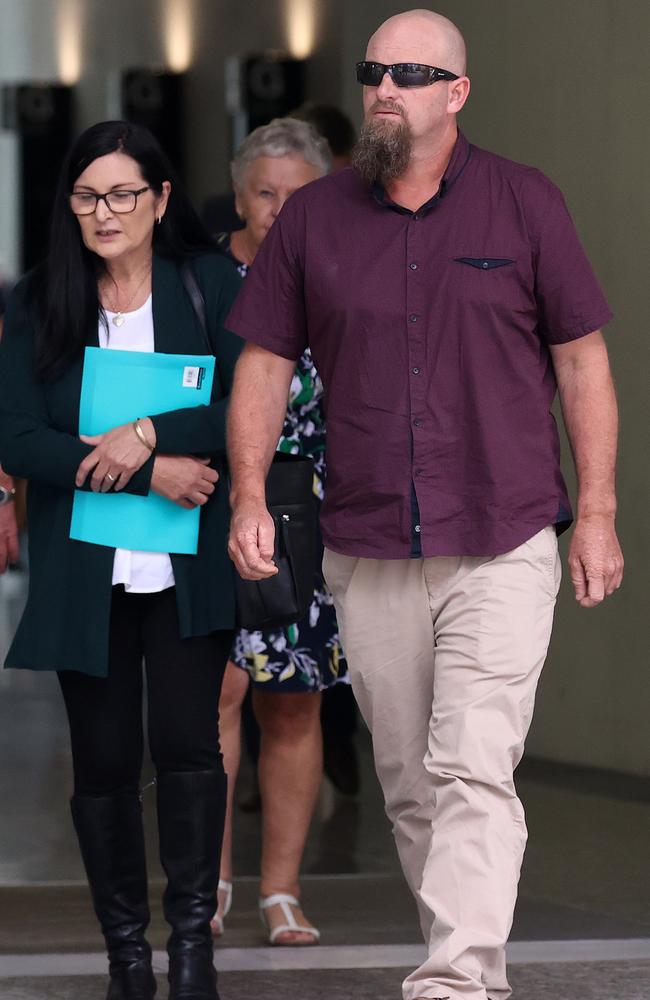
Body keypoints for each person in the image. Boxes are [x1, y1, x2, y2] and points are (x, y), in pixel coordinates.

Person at [224, 9, 624, 1000]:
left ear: (456, 92)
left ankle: (453, 979)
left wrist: (601, 510)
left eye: (409, 72)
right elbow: (264, 362)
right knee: (408, 782)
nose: (384, 88)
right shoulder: (315, 219)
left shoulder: (523, 203)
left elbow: (579, 360)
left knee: (470, 763)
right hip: (368, 542)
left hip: (502, 534)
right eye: (372, 72)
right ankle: (468, 968)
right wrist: (246, 494)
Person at [0, 120, 243, 1000]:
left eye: (122, 195)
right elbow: (17, 433)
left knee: (188, 751)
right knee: (103, 766)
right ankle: (128, 961)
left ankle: (190, 954)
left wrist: (147, 432)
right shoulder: (40, 301)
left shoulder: (209, 283)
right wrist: (147, 467)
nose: (104, 213)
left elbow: (248, 404)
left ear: (161, 199)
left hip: (185, 568)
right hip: (84, 569)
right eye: (86, 196)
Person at [211, 117, 347, 946]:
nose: (279, 209)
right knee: (215, 694)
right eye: (265, 192)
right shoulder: (203, 280)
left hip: (312, 511)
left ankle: (282, 891)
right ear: (239, 196)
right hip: (211, 502)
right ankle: (213, 878)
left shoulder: (341, 275)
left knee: (293, 700)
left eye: (297, 194)